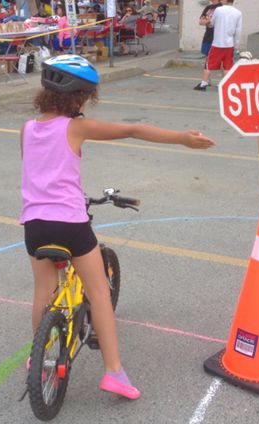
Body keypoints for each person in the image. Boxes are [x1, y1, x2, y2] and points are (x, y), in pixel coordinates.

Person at [20, 55, 215, 400]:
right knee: (99, 293)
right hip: (69, 224)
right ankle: (114, 372)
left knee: (43, 293)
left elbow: (42, 173)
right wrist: (182, 138)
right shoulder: (76, 127)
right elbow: (132, 130)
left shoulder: (28, 128)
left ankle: (40, 356)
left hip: (34, 223)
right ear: (80, 98)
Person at [194, 0, 242, 91]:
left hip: (218, 43)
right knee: (227, 65)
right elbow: (238, 31)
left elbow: (211, 23)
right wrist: (236, 45)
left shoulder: (219, 10)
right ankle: (226, 84)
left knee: (209, 63)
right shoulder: (238, 12)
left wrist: (209, 22)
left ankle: (203, 84)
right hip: (229, 44)